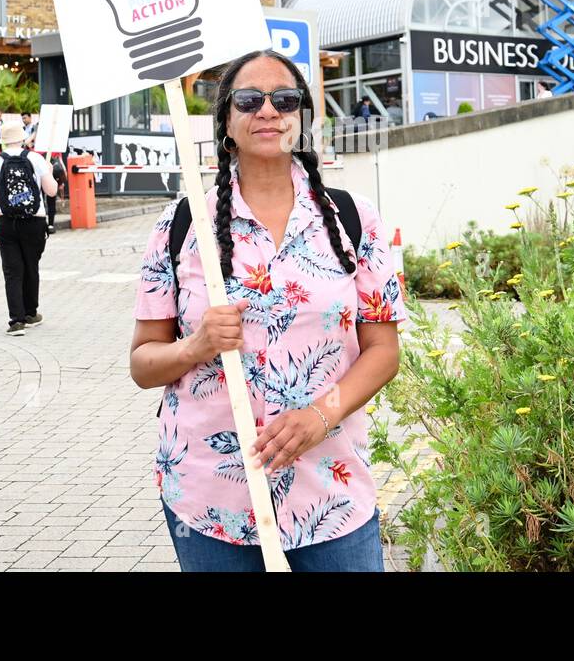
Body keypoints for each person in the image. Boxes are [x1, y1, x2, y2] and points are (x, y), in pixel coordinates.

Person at [131, 49, 404, 572]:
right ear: (226, 121)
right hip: (213, 499)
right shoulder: (182, 225)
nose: (268, 111)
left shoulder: (352, 220)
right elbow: (143, 363)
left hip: (331, 492)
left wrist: (321, 416)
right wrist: (196, 345)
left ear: (301, 115)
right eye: (249, 100)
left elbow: (384, 350)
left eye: (284, 99)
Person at [0, 118, 57, 336]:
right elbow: (51, 191)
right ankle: (31, 313)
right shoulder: (36, 159)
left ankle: (16, 321)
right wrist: (49, 172)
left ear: (2, 141)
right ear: (23, 138)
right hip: (35, 222)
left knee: (12, 271)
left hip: (7, 223)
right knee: (31, 266)